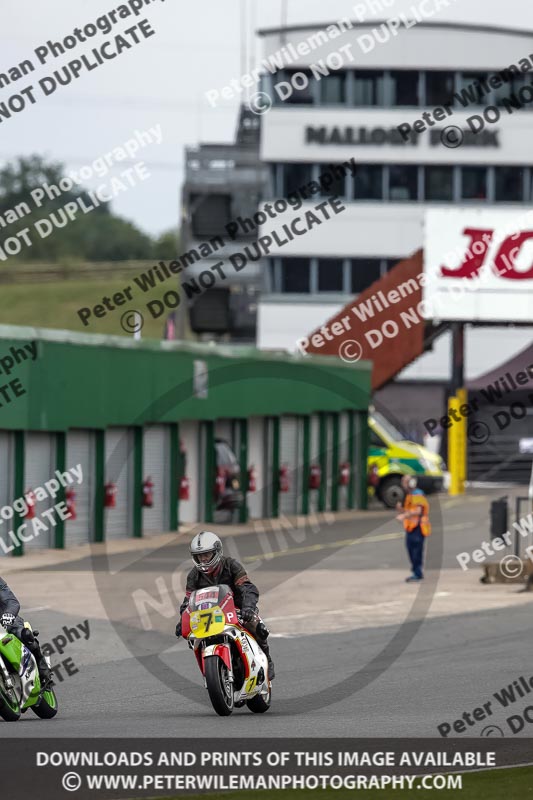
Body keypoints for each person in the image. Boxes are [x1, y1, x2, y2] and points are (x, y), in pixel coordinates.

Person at [175, 531, 275, 679]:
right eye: (199, 556)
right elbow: (188, 600)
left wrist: (248, 607)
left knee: (257, 626)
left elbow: (247, 587)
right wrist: (183, 619)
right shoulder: (193, 575)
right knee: (192, 638)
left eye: (207, 555)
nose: (203, 559)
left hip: (236, 610)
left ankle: (268, 660)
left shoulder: (231, 565)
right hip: (207, 615)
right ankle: (212, 671)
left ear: (216, 552)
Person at [0, 577, 54, 688]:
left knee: (21, 633)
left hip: (4, 620)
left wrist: (8, 614)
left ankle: (42, 667)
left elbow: (11, 600)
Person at [396, 476, 431, 582]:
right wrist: (401, 509)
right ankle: (416, 571)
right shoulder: (409, 495)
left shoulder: (417, 493)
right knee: (411, 549)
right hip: (411, 527)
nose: (404, 484)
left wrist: (403, 516)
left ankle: (417, 573)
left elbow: (418, 510)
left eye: (405, 482)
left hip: (418, 527)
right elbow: (410, 509)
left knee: (416, 551)